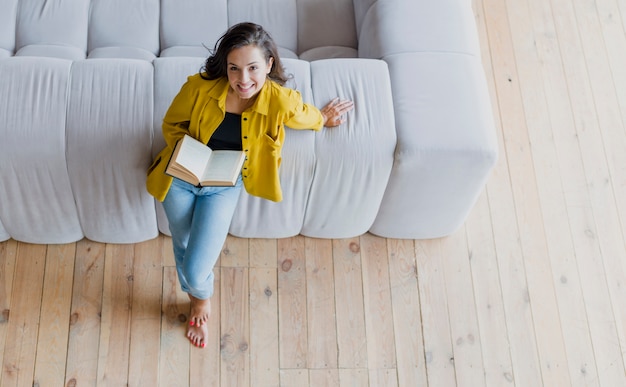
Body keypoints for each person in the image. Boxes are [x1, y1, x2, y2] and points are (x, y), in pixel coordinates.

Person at [146, 22, 354, 348]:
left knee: (197, 267)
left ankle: (200, 298)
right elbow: (171, 124)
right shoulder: (198, 89)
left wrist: (323, 119)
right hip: (182, 178)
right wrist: (187, 150)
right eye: (234, 69)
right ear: (225, 67)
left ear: (269, 64)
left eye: (253, 68)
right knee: (183, 241)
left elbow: (301, 113)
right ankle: (196, 294)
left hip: (224, 185)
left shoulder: (278, 101)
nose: (244, 80)